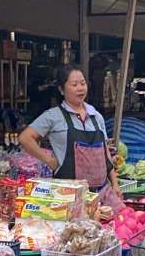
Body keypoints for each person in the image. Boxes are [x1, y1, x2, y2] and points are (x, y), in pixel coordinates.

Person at [19, 64, 120, 194]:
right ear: (61, 89)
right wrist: (49, 161)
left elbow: (105, 154)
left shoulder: (96, 116)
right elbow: (25, 138)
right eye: (74, 84)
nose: (80, 88)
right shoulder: (53, 116)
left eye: (83, 83)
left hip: (98, 192)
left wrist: (115, 184)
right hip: (66, 193)